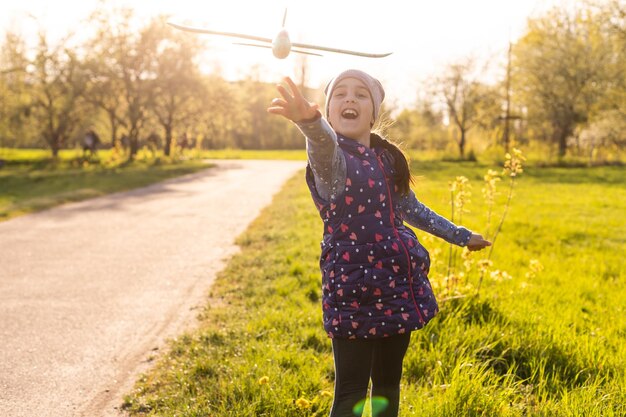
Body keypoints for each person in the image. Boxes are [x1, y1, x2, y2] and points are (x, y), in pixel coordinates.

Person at [268, 70, 491, 417]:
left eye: (360, 94)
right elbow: (323, 144)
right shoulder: (333, 164)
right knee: (351, 394)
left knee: (388, 385)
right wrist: (310, 122)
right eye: (339, 94)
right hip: (353, 290)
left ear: (373, 112)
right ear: (328, 112)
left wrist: (461, 235)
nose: (349, 100)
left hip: (397, 286)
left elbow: (414, 209)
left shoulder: (387, 160)